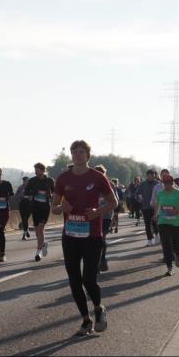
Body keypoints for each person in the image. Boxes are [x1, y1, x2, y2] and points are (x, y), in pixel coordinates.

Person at [52, 140, 116, 336]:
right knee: (74, 280)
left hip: (92, 236)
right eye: (75, 152)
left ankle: (98, 308)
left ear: (88, 155)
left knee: (89, 279)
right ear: (71, 155)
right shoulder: (63, 178)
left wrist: (98, 212)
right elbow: (54, 208)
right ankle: (86, 320)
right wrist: (61, 207)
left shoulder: (97, 177)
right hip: (70, 236)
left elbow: (113, 202)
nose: (78, 155)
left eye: (81, 152)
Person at [156, 172, 179, 275]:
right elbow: (158, 206)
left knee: (175, 245)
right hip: (163, 222)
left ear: (172, 183)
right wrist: (155, 215)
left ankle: (177, 254)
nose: (166, 185)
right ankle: (169, 268)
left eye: (168, 183)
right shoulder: (160, 194)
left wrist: (177, 211)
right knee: (166, 245)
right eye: (165, 183)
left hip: (177, 223)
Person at [25, 163, 55, 262]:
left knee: (41, 228)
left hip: (45, 208)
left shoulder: (49, 180)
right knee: (37, 230)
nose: (36, 172)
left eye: (37, 170)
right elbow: (26, 192)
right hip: (35, 207)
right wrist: (32, 194)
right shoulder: (32, 181)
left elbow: (54, 192)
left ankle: (38, 252)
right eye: (35, 170)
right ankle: (43, 244)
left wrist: (50, 195)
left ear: (43, 170)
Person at [137, 170, 160, 247]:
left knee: (155, 223)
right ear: (147, 176)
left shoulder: (158, 184)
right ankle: (149, 240)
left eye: (152, 175)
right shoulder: (143, 184)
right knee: (147, 225)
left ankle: (157, 234)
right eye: (149, 175)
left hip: (155, 207)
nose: (150, 177)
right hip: (145, 207)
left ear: (154, 176)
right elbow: (136, 193)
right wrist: (139, 198)